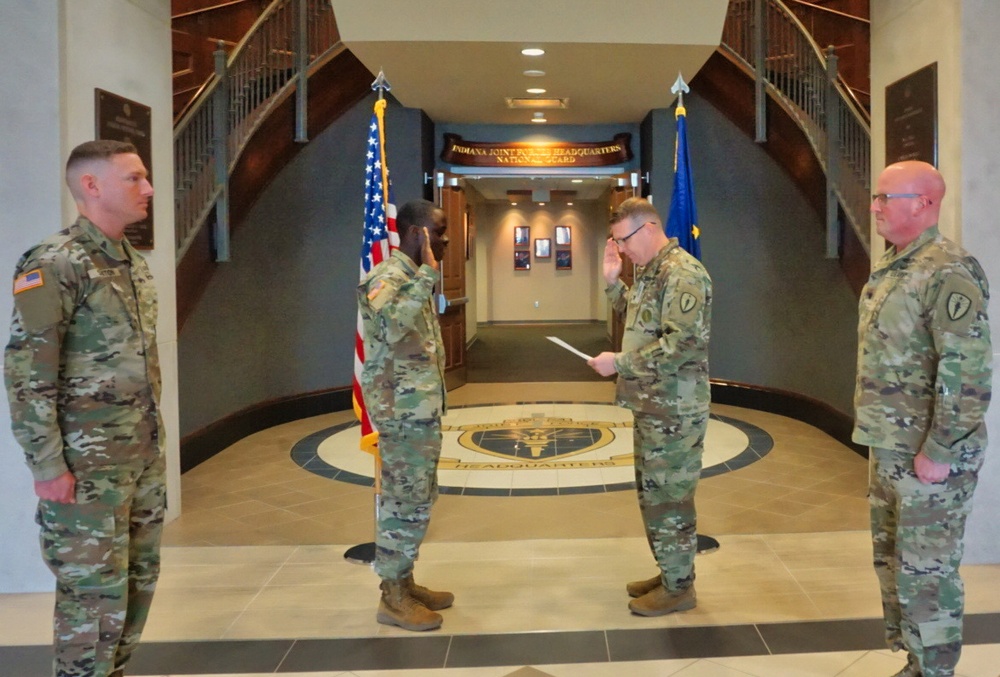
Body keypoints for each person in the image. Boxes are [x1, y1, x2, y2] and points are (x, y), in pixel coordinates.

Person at [4, 139, 164, 677]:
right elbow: (27, 373)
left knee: (137, 581)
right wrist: (47, 466)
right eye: (134, 178)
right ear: (91, 186)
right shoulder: (54, 262)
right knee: (91, 596)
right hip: (84, 468)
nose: (147, 188)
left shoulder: (131, 264)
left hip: (139, 458)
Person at [855, 160, 992, 677]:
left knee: (927, 573)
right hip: (892, 448)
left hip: (929, 456)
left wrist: (939, 450)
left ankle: (936, 669)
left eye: (886, 198)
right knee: (896, 565)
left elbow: (968, 372)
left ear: (924, 203)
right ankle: (918, 662)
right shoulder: (897, 265)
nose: (875, 207)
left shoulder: (948, 270)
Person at [587, 197, 712, 616]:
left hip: (675, 410)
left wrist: (618, 363)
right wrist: (611, 282)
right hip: (653, 406)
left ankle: (679, 588)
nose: (620, 249)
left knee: (671, 498)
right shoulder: (651, 273)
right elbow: (643, 322)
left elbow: (681, 344)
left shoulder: (683, 274)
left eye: (623, 240)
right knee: (653, 495)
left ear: (648, 229)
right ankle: (671, 572)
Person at [357, 198, 453, 632]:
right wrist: (428, 277)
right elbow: (393, 325)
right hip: (402, 414)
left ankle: (404, 579)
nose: (447, 240)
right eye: (441, 231)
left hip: (419, 412)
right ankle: (392, 596)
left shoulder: (411, 277)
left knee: (417, 496)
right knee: (403, 501)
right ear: (418, 234)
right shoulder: (388, 278)